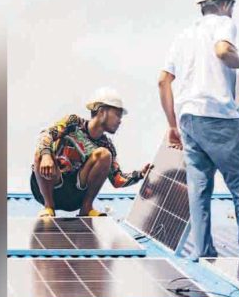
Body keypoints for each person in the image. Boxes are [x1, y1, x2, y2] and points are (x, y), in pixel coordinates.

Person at [158, 0, 239, 260]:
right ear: (224, 4)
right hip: (218, 115)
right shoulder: (223, 24)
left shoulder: (183, 36)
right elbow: (223, 51)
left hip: (188, 120)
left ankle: (204, 251)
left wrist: (172, 124)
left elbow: (163, 81)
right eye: (231, 6)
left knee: (199, 189)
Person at [31, 87, 151, 217]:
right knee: (41, 152)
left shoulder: (107, 146)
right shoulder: (73, 123)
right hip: (48, 186)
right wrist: (46, 155)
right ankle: (49, 208)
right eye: (117, 114)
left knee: (104, 155)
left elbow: (118, 179)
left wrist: (140, 174)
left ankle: (86, 208)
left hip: (74, 195)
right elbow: (46, 134)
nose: (120, 120)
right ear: (101, 111)